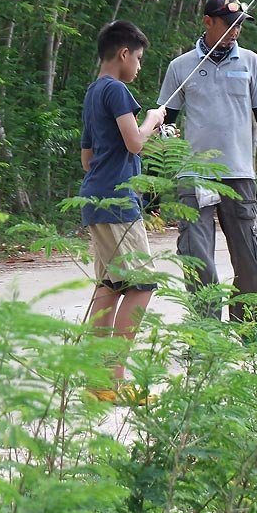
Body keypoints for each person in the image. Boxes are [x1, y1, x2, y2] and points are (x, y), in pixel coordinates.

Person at [157, 0, 257, 322]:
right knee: (197, 257)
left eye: (239, 24)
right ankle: (206, 333)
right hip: (194, 178)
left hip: (238, 174)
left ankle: (248, 329)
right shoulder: (181, 67)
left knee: (247, 257)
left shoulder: (251, 62)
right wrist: (151, 184)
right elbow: (164, 123)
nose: (235, 30)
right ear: (208, 22)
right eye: (228, 23)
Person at [79, 20, 166, 403]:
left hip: (94, 198)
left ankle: (94, 379)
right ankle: (114, 379)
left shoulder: (92, 93)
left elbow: (87, 159)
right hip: (117, 203)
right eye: (140, 59)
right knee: (142, 285)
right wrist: (152, 120)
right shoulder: (116, 90)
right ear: (124, 53)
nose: (140, 67)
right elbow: (134, 143)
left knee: (110, 288)